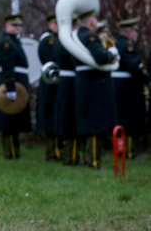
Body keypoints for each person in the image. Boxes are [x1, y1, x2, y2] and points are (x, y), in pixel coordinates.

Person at [73, 10, 118, 169]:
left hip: (84, 84)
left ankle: (86, 159)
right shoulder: (90, 37)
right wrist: (111, 52)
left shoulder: (77, 35)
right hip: (94, 84)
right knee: (94, 123)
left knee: (87, 122)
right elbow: (100, 57)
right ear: (91, 22)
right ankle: (93, 161)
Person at [0, 14, 32, 159]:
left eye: (19, 26)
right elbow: (8, 67)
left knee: (15, 120)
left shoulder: (14, 41)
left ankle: (15, 150)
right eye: (14, 26)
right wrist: (10, 88)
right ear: (6, 27)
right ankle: (10, 152)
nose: (17, 28)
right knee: (9, 121)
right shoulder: (6, 43)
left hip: (18, 82)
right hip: (12, 83)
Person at [113, 17, 148, 158]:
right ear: (128, 32)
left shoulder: (116, 43)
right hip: (127, 88)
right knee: (128, 119)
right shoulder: (127, 45)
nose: (136, 34)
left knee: (121, 118)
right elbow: (134, 66)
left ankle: (122, 149)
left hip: (119, 86)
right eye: (135, 31)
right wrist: (146, 77)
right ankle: (127, 151)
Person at [54, 18, 80, 165]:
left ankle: (67, 154)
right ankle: (72, 157)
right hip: (70, 83)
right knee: (71, 122)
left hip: (64, 82)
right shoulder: (69, 41)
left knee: (66, 121)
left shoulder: (60, 40)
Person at [36, 14, 61, 160]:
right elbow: (51, 60)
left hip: (56, 82)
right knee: (51, 116)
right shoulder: (48, 40)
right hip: (50, 81)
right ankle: (52, 151)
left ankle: (57, 149)